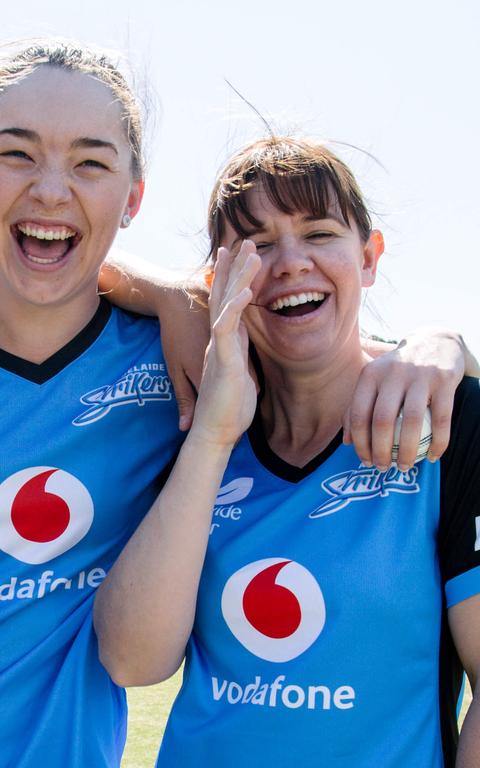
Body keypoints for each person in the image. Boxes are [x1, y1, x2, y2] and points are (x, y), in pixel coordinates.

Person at [0, 44, 473, 767]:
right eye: (18, 154)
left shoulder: (183, 367)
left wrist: (444, 344)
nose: (51, 190)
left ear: (133, 196)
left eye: (90, 162)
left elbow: (312, 338)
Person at [93, 137, 480, 767]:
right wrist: (214, 434)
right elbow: (132, 660)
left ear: (370, 256)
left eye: (319, 233)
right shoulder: (193, 421)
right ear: (218, 281)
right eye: (260, 244)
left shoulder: (447, 423)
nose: (291, 263)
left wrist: (445, 341)